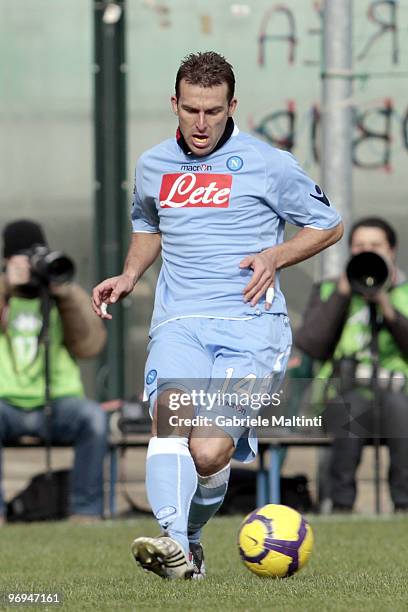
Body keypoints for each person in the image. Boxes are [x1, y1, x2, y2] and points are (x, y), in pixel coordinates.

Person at [92, 51, 343, 578]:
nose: (201, 123)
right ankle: (174, 545)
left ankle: (193, 536)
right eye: (190, 110)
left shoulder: (270, 163)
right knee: (171, 421)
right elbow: (148, 225)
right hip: (179, 320)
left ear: (232, 105)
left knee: (208, 453)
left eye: (212, 111)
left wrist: (275, 256)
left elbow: (328, 224)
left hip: (252, 327)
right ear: (174, 104)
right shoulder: (152, 165)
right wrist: (131, 275)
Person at [296, 217, 408, 513]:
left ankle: (404, 504)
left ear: (391, 251)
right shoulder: (329, 291)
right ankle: (342, 505)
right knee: (353, 405)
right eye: (359, 246)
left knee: (399, 406)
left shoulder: (405, 292)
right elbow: (312, 344)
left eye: (375, 246)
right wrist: (342, 293)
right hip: (341, 396)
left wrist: (387, 305)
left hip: (399, 395)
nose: (366, 252)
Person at [0, 219, 108, 523]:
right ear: (7, 260)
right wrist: (7, 284)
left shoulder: (61, 295)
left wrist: (66, 294)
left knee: (94, 418)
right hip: (6, 403)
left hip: (58, 402)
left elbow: (90, 346)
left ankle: (85, 512)